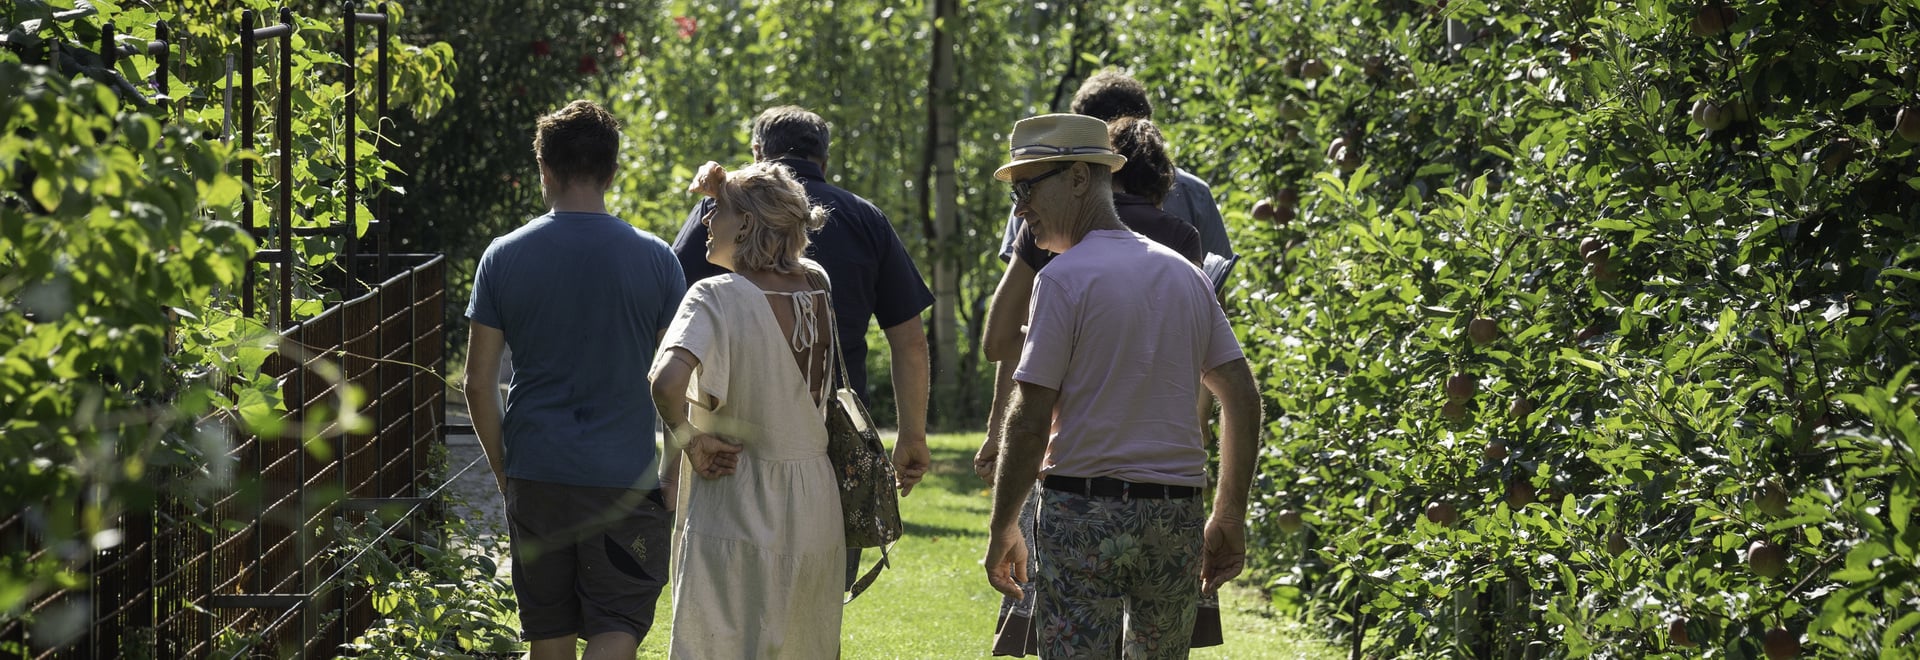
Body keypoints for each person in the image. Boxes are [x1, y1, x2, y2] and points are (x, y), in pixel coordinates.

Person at [980, 113, 1264, 658]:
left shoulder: (1062, 278)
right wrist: (1228, 513)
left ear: (1081, 179)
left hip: (1081, 514)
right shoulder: (1186, 273)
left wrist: (1003, 526)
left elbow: (1031, 414)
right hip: (1175, 518)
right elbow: (1241, 395)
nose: (1020, 210)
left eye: (1027, 188)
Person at [668, 105, 933, 587]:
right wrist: (912, 434)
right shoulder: (859, 227)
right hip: (828, 443)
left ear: (757, 154)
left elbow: (669, 316)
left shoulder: (721, 224)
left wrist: (682, 438)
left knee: (736, 605)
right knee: (814, 599)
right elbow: (909, 340)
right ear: (825, 159)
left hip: (728, 443)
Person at [463, 99, 687, 660]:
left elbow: (476, 381)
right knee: (617, 623)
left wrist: (506, 472)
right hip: (624, 478)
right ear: (612, 171)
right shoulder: (658, 260)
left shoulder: (503, 256)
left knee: (550, 631)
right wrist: (673, 471)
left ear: (544, 168)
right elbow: (684, 378)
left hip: (538, 471)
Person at [650, 160, 843, 658]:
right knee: (802, 643)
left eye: (716, 211)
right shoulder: (816, 286)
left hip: (737, 492)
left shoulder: (715, 295)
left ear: (749, 223)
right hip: (814, 501)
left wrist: (689, 438)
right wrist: (728, 190)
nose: (706, 222)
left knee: (721, 641)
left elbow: (666, 382)